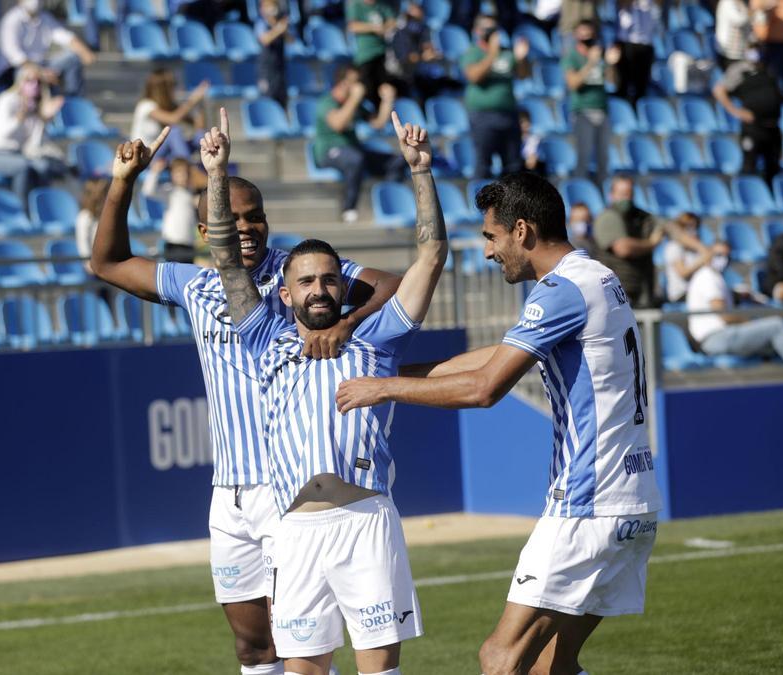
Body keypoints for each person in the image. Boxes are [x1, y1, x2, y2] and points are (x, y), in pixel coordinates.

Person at [89, 117, 401, 675]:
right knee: (253, 647)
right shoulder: (194, 285)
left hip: (292, 488)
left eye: (255, 215)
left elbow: (393, 286)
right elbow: (107, 263)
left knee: (307, 645)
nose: (248, 227)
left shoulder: (302, 274)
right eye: (230, 220)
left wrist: (345, 327)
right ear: (206, 231)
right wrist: (124, 182)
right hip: (228, 492)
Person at [334, 172, 662, 675]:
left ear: (523, 231)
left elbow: (485, 388)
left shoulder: (558, 291)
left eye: (491, 236)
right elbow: (498, 356)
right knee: (551, 666)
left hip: (587, 504)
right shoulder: (597, 275)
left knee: (501, 656)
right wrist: (396, 372)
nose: (488, 252)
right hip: (634, 501)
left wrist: (381, 388)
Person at [203, 107, 443, 675]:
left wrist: (420, 172)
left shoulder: (377, 340)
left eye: (330, 279)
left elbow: (430, 256)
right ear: (284, 295)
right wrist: (216, 178)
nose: (318, 289)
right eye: (305, 281)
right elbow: (224, 259)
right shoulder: (263, 339)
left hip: (366, 525)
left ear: (343, 287)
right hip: (295, 531)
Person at [688, 242, 783, 380]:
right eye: (718, 254)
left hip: (721, 337)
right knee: (776, 326)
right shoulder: (708, 277)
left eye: (726, 255)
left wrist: (738, 295)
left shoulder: (714, 278)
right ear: (708, 254)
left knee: (779, 343)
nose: (722, 258)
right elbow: (725, 315)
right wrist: (750, 323)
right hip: (715, 339)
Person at [314, 65, 400, 223]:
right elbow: (338, 124)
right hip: (330, 151)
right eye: (354, 82)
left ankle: (392, 203)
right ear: (342, 83)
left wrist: (388, 100)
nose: (359, 86)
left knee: (397, 161)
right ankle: (349, 208)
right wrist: (354, 98)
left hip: (354, 151)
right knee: (355, 159)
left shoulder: (357, 105)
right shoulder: (327, 102)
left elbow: (378, 123)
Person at [0, 64, 68, 207]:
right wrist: (21, 116)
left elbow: (34, 144)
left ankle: (43, 208)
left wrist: (43, 119)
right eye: (29, 80)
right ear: (20, 81)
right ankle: (22, 210)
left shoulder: (35, 106)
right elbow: (2, 132)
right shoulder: (7, 99)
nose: (34, 85)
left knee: (43, 167)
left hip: (17, 154)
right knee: (23, 167)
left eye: (38, 82)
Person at [462, 14, 530, 179]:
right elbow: (474, 76)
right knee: (483, 163)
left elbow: (523, 75)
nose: (492, 33)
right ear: (478, 31)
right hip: (483, 116)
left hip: (508, 114)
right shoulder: (473, 52)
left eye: (494, 28)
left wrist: (521, 59)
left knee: (513, 165)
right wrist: (492, 54)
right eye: (487, 29)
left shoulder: (507, 52)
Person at [714, 44, 783, 188]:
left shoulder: (769, 69)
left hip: (772, 126)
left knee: (773, 167)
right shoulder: (740, 70)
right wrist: (735, 111)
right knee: (749, 165)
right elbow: (719, 90)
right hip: (753, 127)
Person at [0, 0, 96, 96]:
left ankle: (73, 100)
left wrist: (84, 51)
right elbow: (15, 55)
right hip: (20, 68)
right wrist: (41, 73)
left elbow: (64, 36)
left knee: (73, 58)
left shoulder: (44, 17)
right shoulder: (11, 19)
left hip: (44, 63)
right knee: (28, 75)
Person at [594, 176, 665, 309]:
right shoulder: (607, 217)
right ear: (611, 195)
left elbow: (666, 226)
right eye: (622, 194)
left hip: (641, 289)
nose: (627, 198)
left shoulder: (640, 217)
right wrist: (651, 244)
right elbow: (623, 248)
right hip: (615, 291)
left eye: (630, 194)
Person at [563, 20, 617, 185]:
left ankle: (602, 194)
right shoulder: (572, 56)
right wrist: (591, 62)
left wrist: (611, 64)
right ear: (575, 36)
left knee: (603, 159)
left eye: (589, 33)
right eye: (582, 33)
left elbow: (613, 82)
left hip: (602, 110)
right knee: (583, 157)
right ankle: (580, 192)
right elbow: (573, 83)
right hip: (582, 111)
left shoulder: (600, 55)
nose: (586, 37)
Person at [389, 1, 461, 104]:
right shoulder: (401, 34)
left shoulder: (425, 30)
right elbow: (405, 58)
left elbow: (429, 47)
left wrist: (432, 52)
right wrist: (423, 57)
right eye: (413, 10)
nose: (418, 12)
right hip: (406, 77)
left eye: (419, 9)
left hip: (425, 75)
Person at [131, 69, 211, 163]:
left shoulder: (168, 106)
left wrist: (199, 104)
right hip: (146, 155)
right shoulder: (146, 106)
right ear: (162, 89)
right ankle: (187, 168)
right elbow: (173, 119)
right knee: (174, 132)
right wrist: (192, 100)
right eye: (173, 85)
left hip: (165, 153)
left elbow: (198, 126)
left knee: (199, 136)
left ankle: (212, 162)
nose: (175, 89)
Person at [142, 157, 200, 264]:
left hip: (189, 243)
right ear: (172, 174)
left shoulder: (190, 193)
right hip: (173, 243)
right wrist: (154, 172)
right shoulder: (169, 191)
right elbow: (148, 191)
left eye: (186, 173)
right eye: (179, 173)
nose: (184, 176)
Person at [347, 0, 398, 107]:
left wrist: (384, 27)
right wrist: (374, 28)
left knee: (384, 88)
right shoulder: (357, 5)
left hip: (381, 53)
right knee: (368, 88)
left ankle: (383, 116)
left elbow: (393, 22)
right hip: (365, 55)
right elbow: (352, 26)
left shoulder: (382, 5)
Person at [613, 0, 661, 106]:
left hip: (646, 45)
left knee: (641, 83)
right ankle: (623, 108)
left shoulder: (651, 5)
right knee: (624, 82)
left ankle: (637, 108)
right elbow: (624, 23)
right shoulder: (627, 6)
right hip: (627, 44)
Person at [662, 212, 712, 304]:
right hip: (681, 294)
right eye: (688, 226)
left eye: (695, 226)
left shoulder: (696, 249)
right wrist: (702, 259)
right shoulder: (673, 247)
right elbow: (683, 273)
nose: (693, 230)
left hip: (697, 290)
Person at [255, 0, 291, 107]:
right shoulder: (261, 23)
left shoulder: (280, 24)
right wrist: (279, 29)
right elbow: (265, 39)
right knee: (268, 102)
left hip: (280, 72)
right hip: (266, 72)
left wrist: (283, 29)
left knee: (282, 103)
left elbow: (291, 40)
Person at [75, 177, 110, 266]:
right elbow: (83, 243)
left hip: (109, 264)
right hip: (95, 266)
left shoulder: (109, 215)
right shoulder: (84, 217)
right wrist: (88, 264)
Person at [715, 0, 752, 70]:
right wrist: (752, 12)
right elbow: (739, 20)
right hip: (727, 49)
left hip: (741, 48)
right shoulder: (726, 2)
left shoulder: (741, 3)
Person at [519, 109, 545, 176]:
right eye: (521, 122)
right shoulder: (512, 141)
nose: (525, 125)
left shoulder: (535, 139)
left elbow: (532, 161)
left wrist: (533, 157)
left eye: (527, 121)